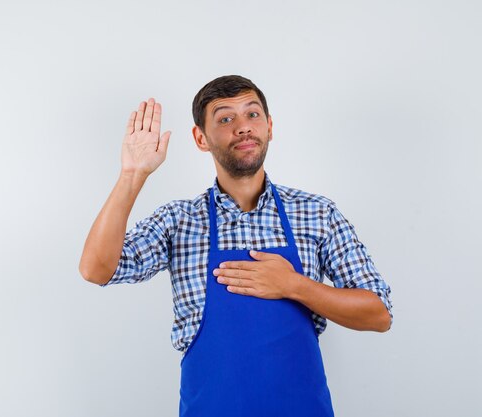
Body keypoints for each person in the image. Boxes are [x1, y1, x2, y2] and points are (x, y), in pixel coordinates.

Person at [79, 75, 392, 417]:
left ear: (270, 127)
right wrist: (132, 175)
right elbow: (96, 269)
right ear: (201, 138)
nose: (243, 127)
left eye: (252, 115)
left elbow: (378, 314)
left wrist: (293, 285)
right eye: (225, 119)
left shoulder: (317, 213)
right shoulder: (178, 220)